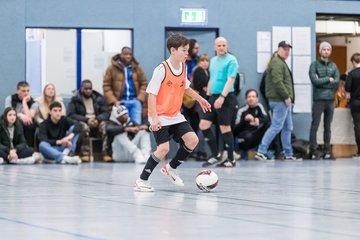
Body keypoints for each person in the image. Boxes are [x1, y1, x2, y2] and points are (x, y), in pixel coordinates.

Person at [133, 33, 211, 192]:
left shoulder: (183, 66)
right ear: (173, 50)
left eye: (188, 50)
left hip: (175, 115)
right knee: (163, 149)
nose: (187, 53)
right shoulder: (162, 69)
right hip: (160, 116)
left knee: (192, 140)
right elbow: (151, 95)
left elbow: (186, 87)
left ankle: (171, 168)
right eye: (184, 50)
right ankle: (141, 181)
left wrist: (200, 99)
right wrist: (154, 119)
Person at [255, 41, 301, 162]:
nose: (287, 51)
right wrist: (286, 96)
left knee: (287, 127)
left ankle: (288, 153)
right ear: (279, 49)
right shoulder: (276, 63)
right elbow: (278, 81)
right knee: (276, 126)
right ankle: (261, 151)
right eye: (284, 49)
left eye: (288, 49)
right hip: (280, 100)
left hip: (284, 101)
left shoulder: (281, 62)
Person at [199, 36, 239, 168]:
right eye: (219, 45)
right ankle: (216, 155)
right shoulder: (213, 61)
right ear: (215, 47)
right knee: (204, 125)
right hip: (213, 97)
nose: (222, 48)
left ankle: (231, 159)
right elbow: (212, 78)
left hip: (226, 98)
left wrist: (222, 97)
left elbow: (230, 80)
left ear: (227, 47)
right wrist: (208, 96)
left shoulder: (232, 60)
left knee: (224, 128)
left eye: (224, 45)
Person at [308, 41, 340, 160]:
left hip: (330, 100)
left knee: (328, 126)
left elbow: (336, 82)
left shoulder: (334, 66)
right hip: (318, 100)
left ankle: (327, 151)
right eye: (324, 49)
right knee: (314, 126)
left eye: (328, 49)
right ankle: (313, 151)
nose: (326, 51)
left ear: (330, 51)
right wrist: (328, 79)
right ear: (320, 51)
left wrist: (323, 81)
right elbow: (314, 82)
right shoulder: (314, 65)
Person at [67, 80, 111, 162]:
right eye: (86, 89)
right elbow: (71, 115)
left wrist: (98, 119)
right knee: (83, 126)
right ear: (81, 88)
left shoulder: (99, 98)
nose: (88, 91)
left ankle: (105, 153)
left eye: (90, 89)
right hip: (84, 121)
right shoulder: (75, 100)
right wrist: (86, 120)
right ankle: (85, 153)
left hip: (97, 121)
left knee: (105, 126)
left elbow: (106, 113)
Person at [103, 46, 148, 124]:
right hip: (120, 102)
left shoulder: (137, 68)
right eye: (125, 54)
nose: (128, 56)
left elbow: (144, 84)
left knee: (136, 126)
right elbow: (106, 86)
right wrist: (114, 101)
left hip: (135, 102)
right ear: (121, 55)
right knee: (122, 127)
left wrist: (140, 99)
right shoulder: (111, 68)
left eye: (130, 54)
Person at [5, 81, 38, 147]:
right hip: (12, 120)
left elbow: (29, 118)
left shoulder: (34, 103)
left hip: (26, 124)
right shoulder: (10, 98)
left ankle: (28, 148)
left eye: (28, 91)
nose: (26, 93)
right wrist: (20, 115)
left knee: (30, 124)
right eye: (23, 91)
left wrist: (24, 103)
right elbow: (7, 113)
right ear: (17, 91)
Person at [191, 54, 211, 160]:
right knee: (203, 126)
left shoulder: (205, 72)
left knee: (202, 126)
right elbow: (208, 83)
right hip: (201, 102)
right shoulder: (199, 70)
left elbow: (208, 86)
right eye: (203, 61)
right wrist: (208, 86)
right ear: (199, 62)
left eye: (207, 61)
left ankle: (200, 151)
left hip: (202, 101)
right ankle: (200, 151)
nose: (205, 63)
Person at [345, 52, 360, 159]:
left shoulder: (351, 74)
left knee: (358, 126)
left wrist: (347, 76)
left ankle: (359, 151)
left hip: (355, 103)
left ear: (354, 62)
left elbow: (347, 88)